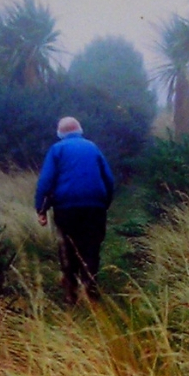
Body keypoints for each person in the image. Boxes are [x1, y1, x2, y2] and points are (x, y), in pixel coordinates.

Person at [35, 116, 115, 303]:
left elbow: (45, 182)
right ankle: (90, 291)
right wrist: (105, 203)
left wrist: (41, 209)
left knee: (67, 247)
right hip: (94, 207)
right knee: (91, 247)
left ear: (60, 133)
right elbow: (109, 180)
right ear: (80, 130)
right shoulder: (93, 148)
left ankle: (70, 294)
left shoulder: (57, 150)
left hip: (65, 208)